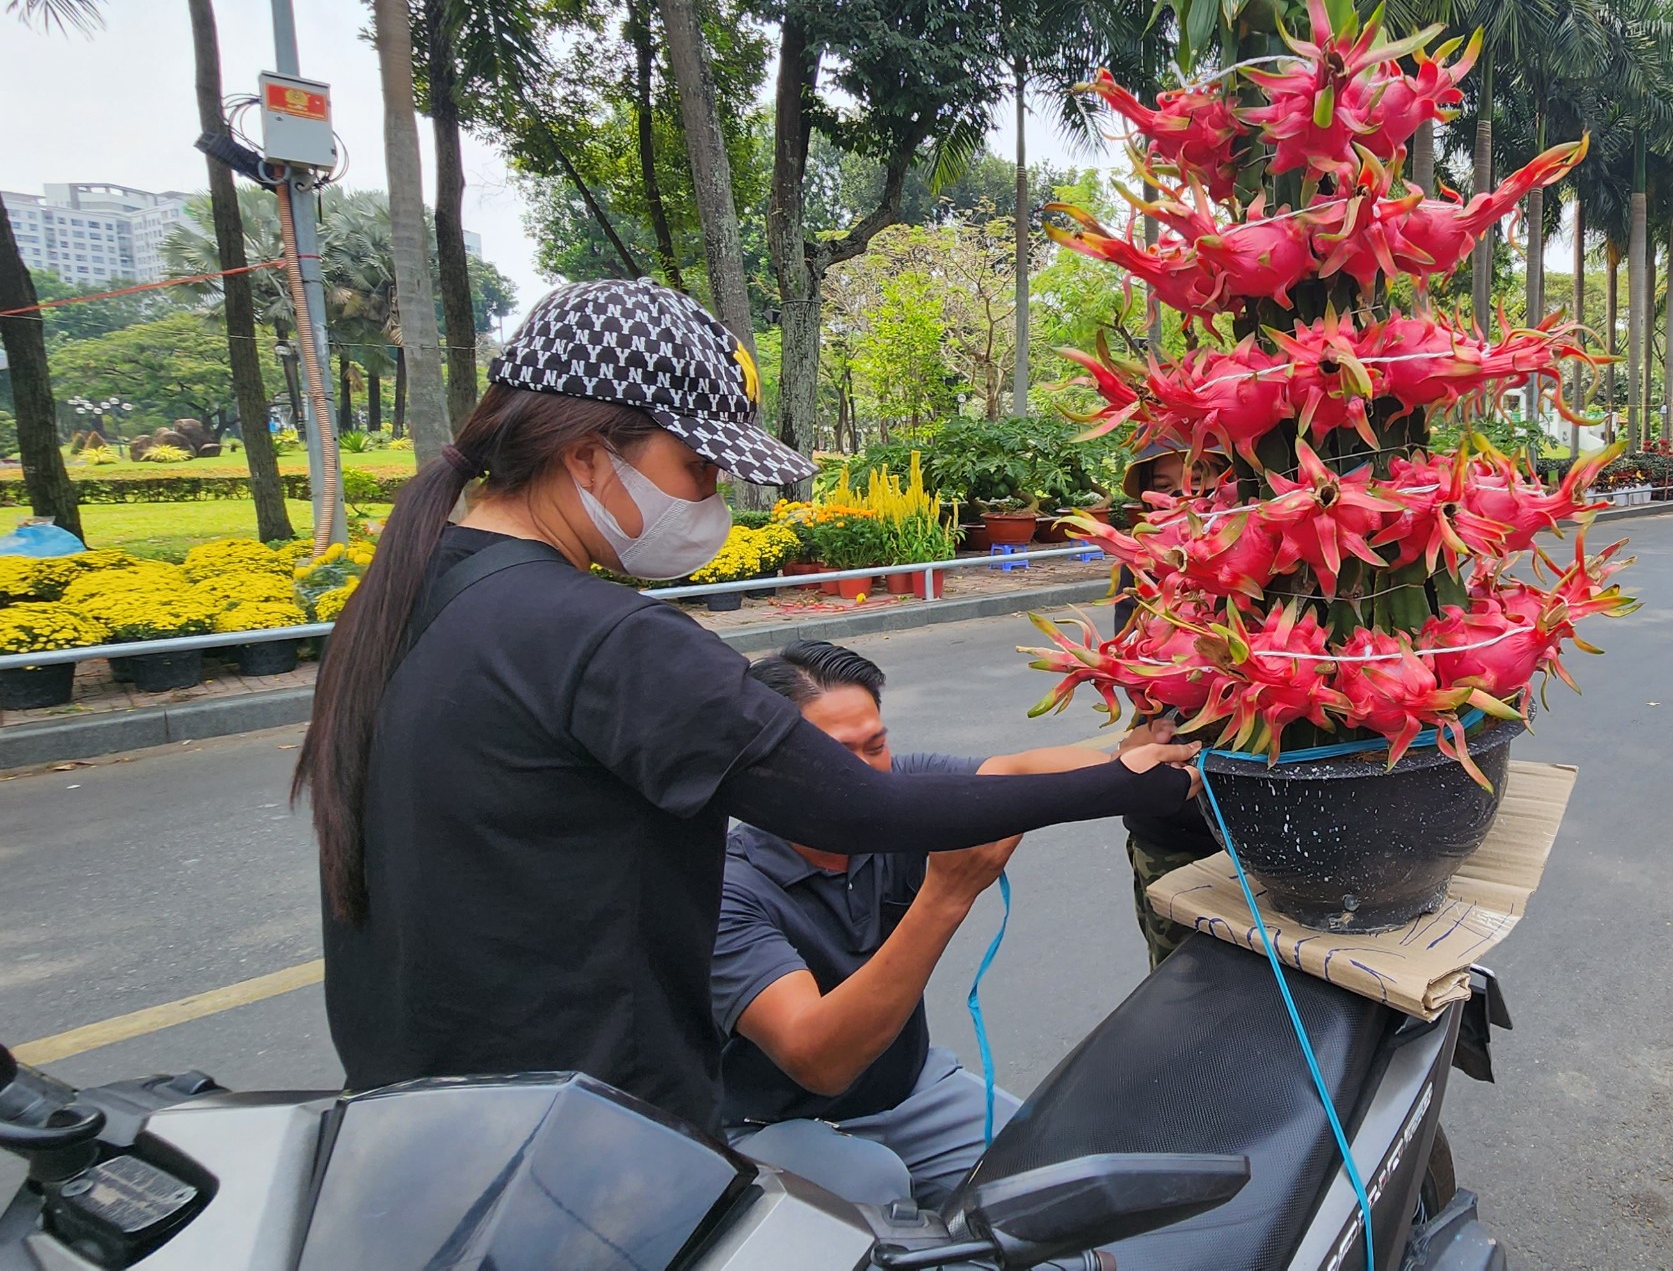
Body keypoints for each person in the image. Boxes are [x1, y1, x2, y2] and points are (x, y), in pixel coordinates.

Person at [301, 279, 1198, 1134]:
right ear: (585, 456)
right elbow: (858, 803)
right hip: (577, 1129)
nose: (713, 501)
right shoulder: (596, 634)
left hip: (415, 1106)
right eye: (697, 468)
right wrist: (1123, 779)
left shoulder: (413, 592)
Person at [713, 641, 1165, 1208]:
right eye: (836, 757)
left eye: (875, 747)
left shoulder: (900, 791)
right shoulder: (729, 887)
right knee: (871, 1186)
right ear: (766, 765)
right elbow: (818, 1060)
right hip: (773, 1123)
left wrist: (1132, 763)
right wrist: (944, 898)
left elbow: (1016, 773)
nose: (864, 774)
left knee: (1052, 1179)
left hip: (909, 1090)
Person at [1113, 445, 1226, 967]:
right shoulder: (1137, 569)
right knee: (1180, 993)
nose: (1184, 499)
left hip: (1269, 823)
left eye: (1201, 481)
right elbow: (1137, 679)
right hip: (1173, 821)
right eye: (1167, 486)